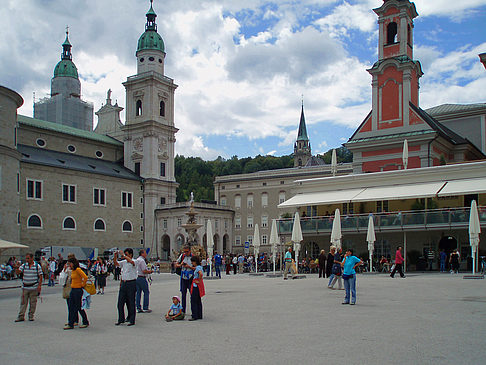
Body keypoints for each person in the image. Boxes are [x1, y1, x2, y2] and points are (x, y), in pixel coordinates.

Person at [15, 253, 43, 322]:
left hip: (33, 287)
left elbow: (40, 276)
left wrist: (39, 285)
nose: (26, 260)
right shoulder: (24, 266)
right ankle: (21, 316)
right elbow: (18, 272)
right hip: (25, 287)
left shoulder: (37, 266)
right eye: (26, 258)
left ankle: (31, 315)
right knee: (23, 302)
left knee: (33, 303)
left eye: (28, 258)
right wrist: (16, 267)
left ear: (32, 258)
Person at [64, 257, 89, 329]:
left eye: (70, 264)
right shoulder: (73, 271)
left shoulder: (78, 270)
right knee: (71, 306)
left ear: (73, 263)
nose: (69, 265)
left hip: (78, 290)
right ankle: (71, 323)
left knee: (78, 307)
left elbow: (85, 277)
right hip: (73, 289)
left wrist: (82, 284)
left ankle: (85, 321)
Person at [114, 248, 137, 326]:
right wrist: (115, 256)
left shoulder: (134, 261)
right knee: (120, 302)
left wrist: (123, 255)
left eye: (126, 254)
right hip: (124, 283)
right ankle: (121, 319)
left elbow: (132, 262)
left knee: (131, 302)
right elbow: (116, 263)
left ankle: (132, 319)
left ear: (130, 255)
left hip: (131, 283)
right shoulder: (124, 262)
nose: (124, 256)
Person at [175, 246, 194, 314]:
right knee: (183, 294)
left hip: (190, 277)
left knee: (192, 294)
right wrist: (180, 265)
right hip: (183, 277)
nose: (185, 253)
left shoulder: (193, 257)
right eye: (184, 251)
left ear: (190, 251)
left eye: (187, 251)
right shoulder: (182, 256)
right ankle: (183, 311)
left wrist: (189, 267)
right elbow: (176, 264)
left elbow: (197, 267)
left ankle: (193, 311)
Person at [136, 249, 153, 313]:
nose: (146, 254)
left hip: (137, 277)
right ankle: (145, 307)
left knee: (138, 293)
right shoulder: (142, 261)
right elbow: (144, 271)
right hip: (142, 278)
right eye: (145, 253)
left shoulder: (137, 260)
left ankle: (138, 307)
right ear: (142, 254)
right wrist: (150, 271)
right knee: (146, 292)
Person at [189, 256, 205, 321]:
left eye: (192, 262)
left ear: (195, 262)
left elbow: (200, 274)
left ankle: (194, 315)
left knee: (193, 300)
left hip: (196, 285)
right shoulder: (199, 267)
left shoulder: (198, 268)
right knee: (198, 300)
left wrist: (199, 280)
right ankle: (199, 314)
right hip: (198, 285)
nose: (192, 263)